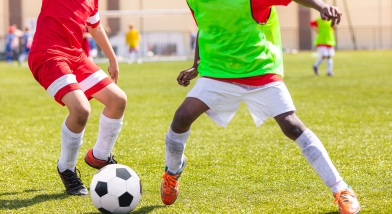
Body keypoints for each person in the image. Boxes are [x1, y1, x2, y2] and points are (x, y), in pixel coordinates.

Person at [160, 0, 360, 213]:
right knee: (182, 117)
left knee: (291, 125)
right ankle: (172, 172)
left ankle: (342, 190)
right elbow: (205, 26)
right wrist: (196, 65)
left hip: (261, 70)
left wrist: (320, 6)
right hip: (218, 73)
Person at [28, 0, 127, 196]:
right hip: (48, 55)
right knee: (81, 110)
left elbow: (95, 27)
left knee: (118, 100)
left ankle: (99, 156)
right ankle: (66, 168)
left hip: (76, 56)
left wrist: (113, 58)